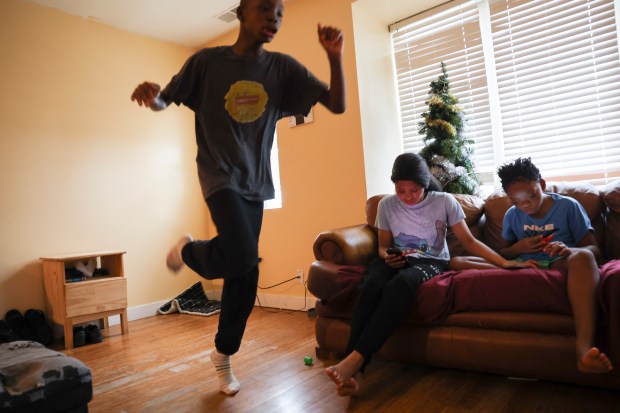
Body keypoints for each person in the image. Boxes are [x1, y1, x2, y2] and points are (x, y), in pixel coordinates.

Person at [131, 0, 345, 396]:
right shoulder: (207, 63)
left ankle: (222, 354)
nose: (273, 19)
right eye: (265, 10)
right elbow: (168, 99)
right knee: (244, 256)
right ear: (242, 12)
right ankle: (193, 251)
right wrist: (153, 97)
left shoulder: (281, 68)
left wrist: (335, 57)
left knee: (244, 275)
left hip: (256, 183)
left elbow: (337, 103)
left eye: (279, 14)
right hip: (218, 176)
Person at [324, 153, 531, 397]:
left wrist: (504, 262)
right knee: (370, 284)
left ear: (425, 183)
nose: (407, 197)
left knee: (399, 285)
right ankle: (355, 372)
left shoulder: (444, 202)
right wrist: (386, 255)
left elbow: (469, 241)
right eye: (401, 191)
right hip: (396, 259)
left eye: (414, 190)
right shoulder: (386, 205)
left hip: (432, 261)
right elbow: (382, 246)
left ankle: (354, 361)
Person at [453, 157, 613, 374]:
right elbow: (502, 252)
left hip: (561, 261)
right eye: (517, 201)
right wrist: (519, 248)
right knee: (457, 261)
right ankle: (519, 271)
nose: (526, 205)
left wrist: (568, 250)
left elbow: (594, 250)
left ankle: (583, 348)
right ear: (510, 199)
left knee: (584, 258)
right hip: (524, 264)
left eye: (532, 196)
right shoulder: (512, 215)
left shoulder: (568, 206)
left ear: (543, 185)